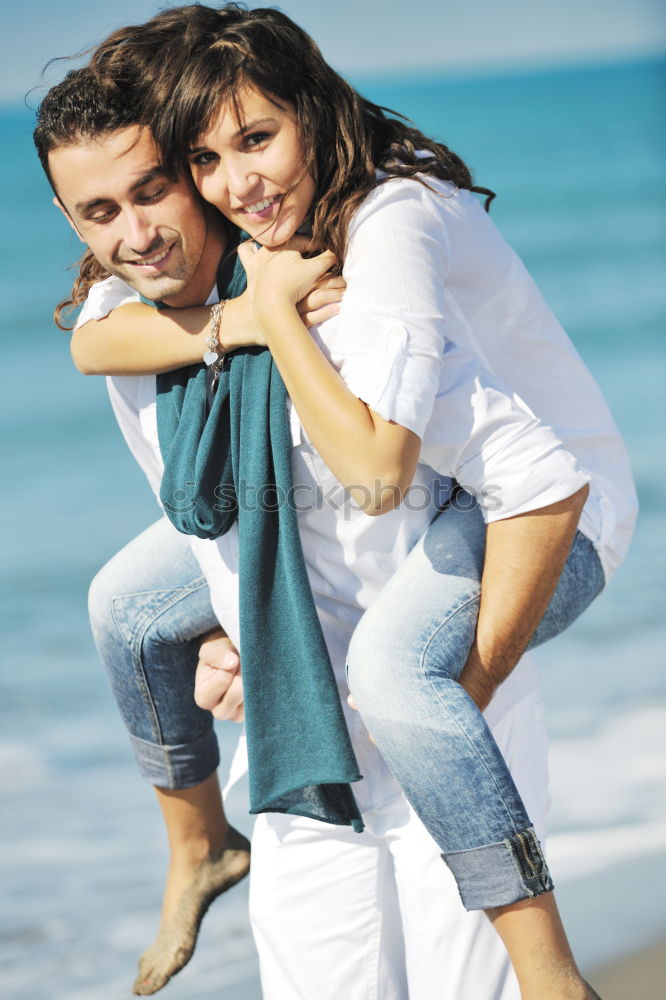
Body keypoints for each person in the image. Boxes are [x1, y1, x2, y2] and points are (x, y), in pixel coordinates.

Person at [79, 6, 638, 998]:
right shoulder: (223, 261)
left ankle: (554, 977)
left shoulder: (376, 247)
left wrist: (461, 687)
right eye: (204, 159)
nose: (239, 182)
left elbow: (461, 475)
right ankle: (199, 840)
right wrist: (244, 623)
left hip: (533, 516)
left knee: (396, 677)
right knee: (129, 604)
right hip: (389, 530)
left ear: (314, 110)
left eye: (259, 138)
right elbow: (95, 336)